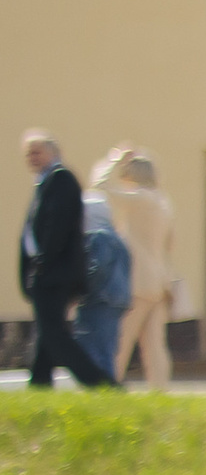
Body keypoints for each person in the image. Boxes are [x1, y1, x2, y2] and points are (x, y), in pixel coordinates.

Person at [19, 130, 114, 389]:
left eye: (37, 152)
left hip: (53, 272)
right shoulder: (46, 183)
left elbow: (57, 229)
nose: (32, 158)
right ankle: (39, 385)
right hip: (47, 271)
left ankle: (99, 384)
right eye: (28, 154)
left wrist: (43, 263)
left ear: (53, 152)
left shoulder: (61, 180)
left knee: (55, 335)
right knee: (47, 334)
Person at [98, 149, 178, 389]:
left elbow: (100, 187)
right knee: (154, 344)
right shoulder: (164, 203)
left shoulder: (140, 198)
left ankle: (109, 385)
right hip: (158, 281)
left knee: (121, 338)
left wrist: (113, 160)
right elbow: (170, 245)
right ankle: (160, 390)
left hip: (136, 281)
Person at [73, 189, 132, 386]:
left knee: (92, 348)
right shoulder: (116, 237)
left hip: (99, 299)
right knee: (107, 347)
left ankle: (102, 387)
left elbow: (96, 268)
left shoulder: (98, 237)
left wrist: (79, 289)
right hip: (116, 300)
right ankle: (106, 388)